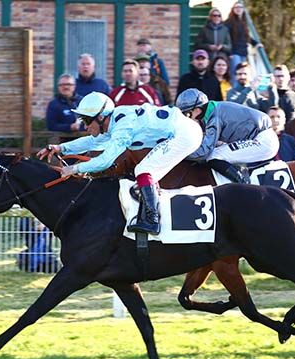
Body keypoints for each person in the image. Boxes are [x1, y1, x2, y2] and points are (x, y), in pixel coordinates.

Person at [38, 92, 202, 236]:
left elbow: (105, 161)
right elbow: (93, 142)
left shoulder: (123, 126)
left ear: (101, 117)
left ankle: (152, 220)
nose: (86, 126)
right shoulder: (114, 121)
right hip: (184, 131)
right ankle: (155, 216)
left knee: (143, 170)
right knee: (146, 176)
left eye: (87, 120)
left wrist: (74, 168)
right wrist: (60, 148)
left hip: (185, 134)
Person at [176, 88, 279, 184]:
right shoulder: (214, 109)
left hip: (264, 141)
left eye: (187, 114)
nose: (187, 118)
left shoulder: (214, 116)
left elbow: (204, 152)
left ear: (198, 110)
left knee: (213, 156)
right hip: (261, 137)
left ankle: (244, 184)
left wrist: (181, 154)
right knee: (218, 151)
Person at [225, 2, 262, 84]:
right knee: (236, 74)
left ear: (243, 9)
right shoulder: (228, 23)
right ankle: (235, 92)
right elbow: (226, 39)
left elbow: (247, 37)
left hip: (243, 52)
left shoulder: (243, 22)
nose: (238, 9)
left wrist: (255, 43)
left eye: (240, 7)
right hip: (234, 53)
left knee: (244, 74)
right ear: (233, 9)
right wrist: (229, 52)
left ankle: (242, 92)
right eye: (236, 7)